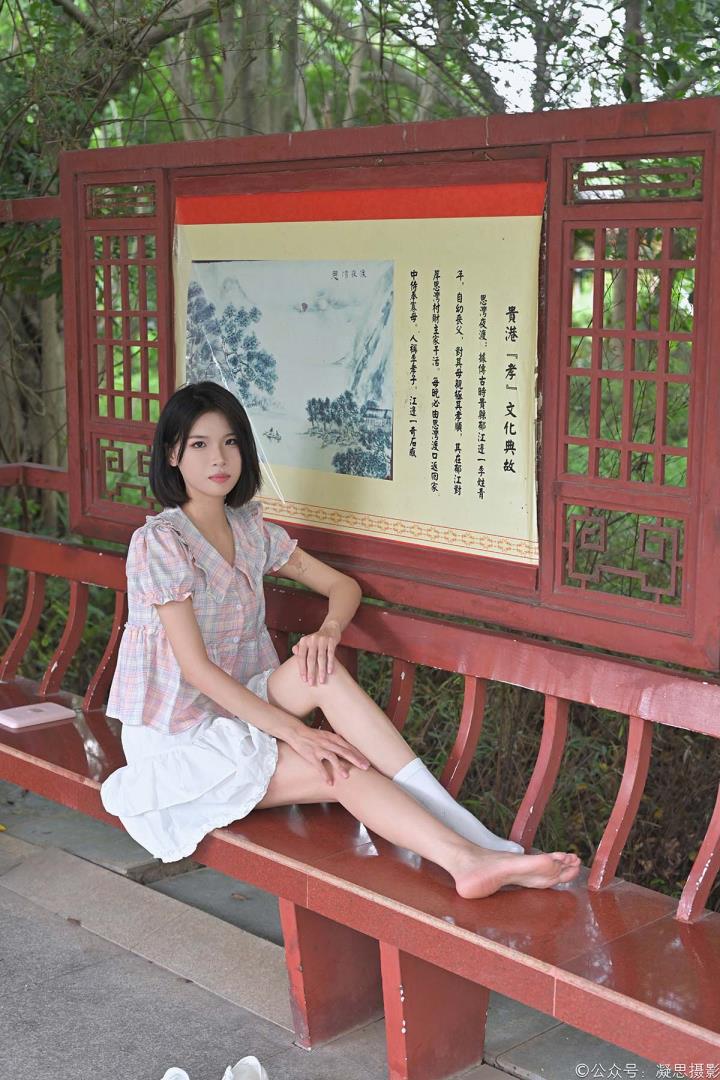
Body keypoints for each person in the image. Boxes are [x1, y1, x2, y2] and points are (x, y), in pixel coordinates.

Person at [100, 381, 580, 899]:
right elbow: (196, 670)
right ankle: (467, 860)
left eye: (231, 442)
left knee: (320, 670)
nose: (219, 458)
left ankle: (475, 839)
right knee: (335, 763)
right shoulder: (160, 543)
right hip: (180, 738)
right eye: (199, 444)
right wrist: (298, 734)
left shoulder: (250, 530)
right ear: (172, 454)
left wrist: (326, 633)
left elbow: (342, 587)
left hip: (238, 712)